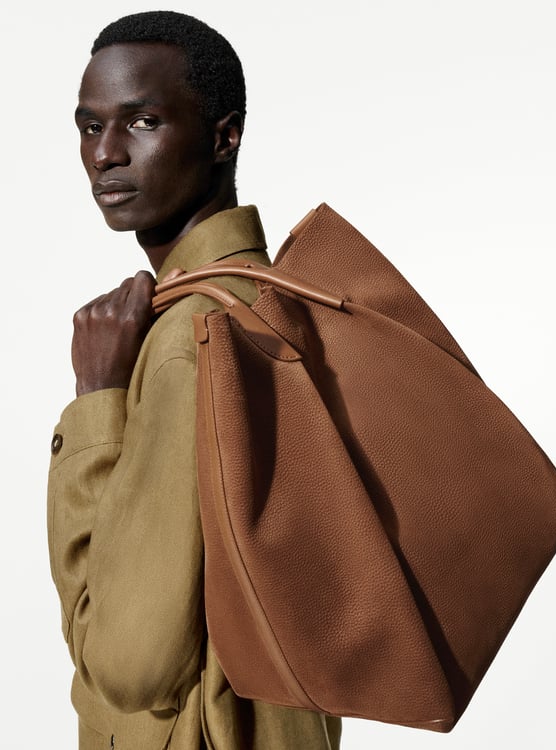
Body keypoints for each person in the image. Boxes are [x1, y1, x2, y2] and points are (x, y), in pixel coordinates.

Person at [47, 10, 342, 750]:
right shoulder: (273, 298)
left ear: (223, 137)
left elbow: (131, 667)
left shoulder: (190, 334)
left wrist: (96, 401)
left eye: (142, 121)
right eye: (90, 127)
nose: (105, 154)